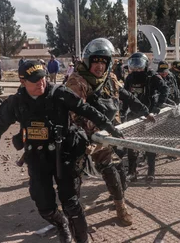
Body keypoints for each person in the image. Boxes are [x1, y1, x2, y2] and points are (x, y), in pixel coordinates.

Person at [0, 61, 125, 243]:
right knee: (44, 205)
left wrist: (110, 127)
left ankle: (82, 240)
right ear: (23, 82)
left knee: (71, 202)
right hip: (37, 157)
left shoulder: (59, 93)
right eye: (35, 81)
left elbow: (86, 109)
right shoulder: (16, 103)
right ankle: (61, 223)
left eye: (42, 78)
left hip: (65, 154)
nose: (41, 83)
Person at [66, 39, 155, 225]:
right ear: (88, 61)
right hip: (84, 135)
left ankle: (120, 206)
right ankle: (73, 215)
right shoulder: (77, 81)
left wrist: (145, 111)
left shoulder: (110, 78)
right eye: (96, 61)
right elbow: (74, 113)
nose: (99, 66)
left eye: (103, 62)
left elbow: (126, 96)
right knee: (74, 173)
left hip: (106, 132)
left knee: (109, 168)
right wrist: (90, 135)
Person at [123, 52, 169, 181]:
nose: (137, 68)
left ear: (145, 64)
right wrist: (123, 112)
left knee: (150, 144)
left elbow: (165, 90)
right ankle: (132, 172)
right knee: (131, 145)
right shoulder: (130, 78)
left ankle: (151, 171)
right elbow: (125, 96)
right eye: (134, 65)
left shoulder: (153, 76)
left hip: (150, 115)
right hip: (134, 115)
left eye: (139, 65)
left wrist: (158, 106)